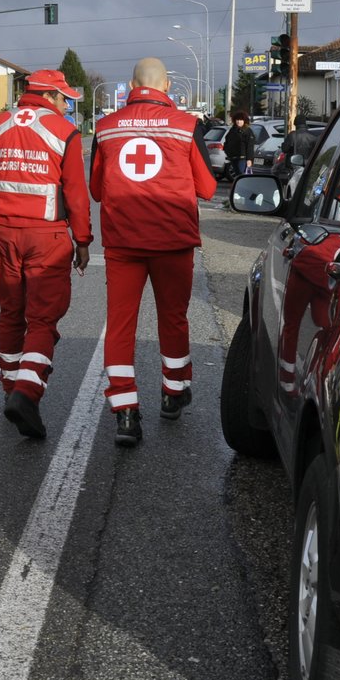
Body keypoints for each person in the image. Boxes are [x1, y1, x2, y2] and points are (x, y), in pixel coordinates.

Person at [0, 68, 92, 440]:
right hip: (47, 236)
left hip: (2, 232)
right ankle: (27, 394)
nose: (65, 106)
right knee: (43, 319)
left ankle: (10, 386)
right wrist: (83, 241)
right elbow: (77, 195)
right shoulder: (64, 132)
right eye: (63, 99)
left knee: (11, 311)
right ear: (48, 96)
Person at [90, 56, 218, 446]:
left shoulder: (106, 128)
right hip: (173, 242)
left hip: (123, 243)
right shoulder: (186, 126)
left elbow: (96, 189)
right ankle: (173, 392)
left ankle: (125, 413)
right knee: (174, 318)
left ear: (132, 85)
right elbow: (209, 189)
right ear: (165, 87)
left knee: (121, 323)